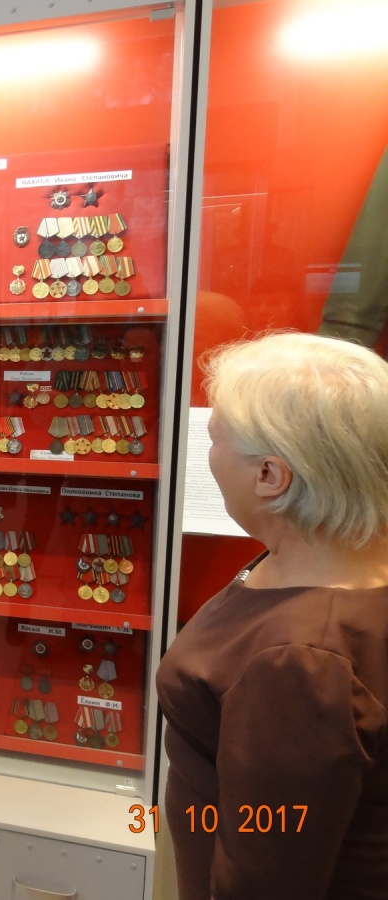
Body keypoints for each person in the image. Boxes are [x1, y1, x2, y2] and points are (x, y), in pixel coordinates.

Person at [157, 331, 388, 899]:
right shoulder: (338, 561)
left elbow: (267, 878)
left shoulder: (300, 664)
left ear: (270, 476)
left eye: (213, 438)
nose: (207, 453)